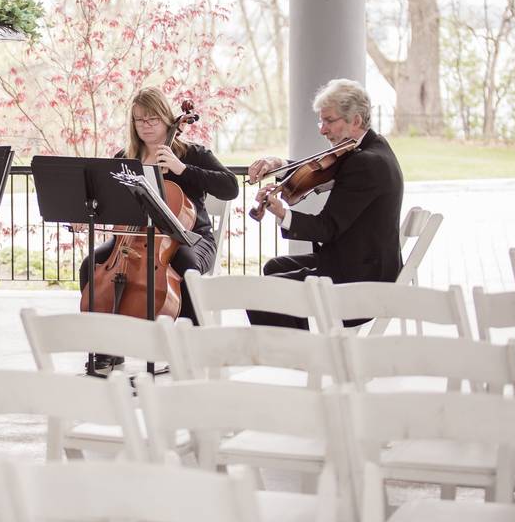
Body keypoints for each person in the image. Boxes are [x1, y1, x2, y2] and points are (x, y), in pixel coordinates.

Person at [78, 87, 239, 369]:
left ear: (167, 118)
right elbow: (109, 202)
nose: (146, 126)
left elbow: (230, 187)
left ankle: (192, 346)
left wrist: (182, 169)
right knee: (91, 264)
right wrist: (89, 211)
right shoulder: (125, 157)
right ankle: (107, 347)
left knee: (185, 267)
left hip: (190, 238)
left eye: (152, 119)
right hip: (134, 239)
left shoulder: (192, 154)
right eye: (139, 120)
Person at [246, 78, 404, 330]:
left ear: (356, 121)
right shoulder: (369, 148)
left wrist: (282, 212)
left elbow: (327, 227)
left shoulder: (366, 164)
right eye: (321, 121)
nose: (322, 129)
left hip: (359, 283)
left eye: (329, 121)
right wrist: (278, 164)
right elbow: (317, 169)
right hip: (360, 264)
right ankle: (302, 348)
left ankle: (303, 355)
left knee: (261, 295)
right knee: (274, 267)